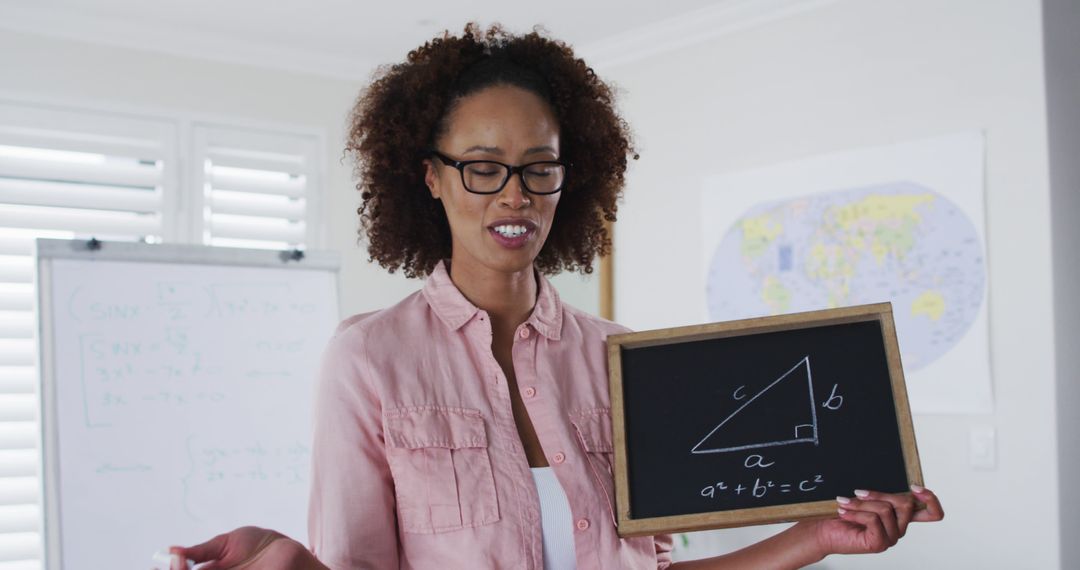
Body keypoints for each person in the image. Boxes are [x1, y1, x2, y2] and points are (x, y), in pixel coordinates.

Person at [172, 23, 944, 570]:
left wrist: (818, 536)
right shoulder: (369, 358)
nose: (515, 195)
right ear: (432, 177)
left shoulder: (623, 358)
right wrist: (290, 563)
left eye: (539, 166)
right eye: (483, 166)